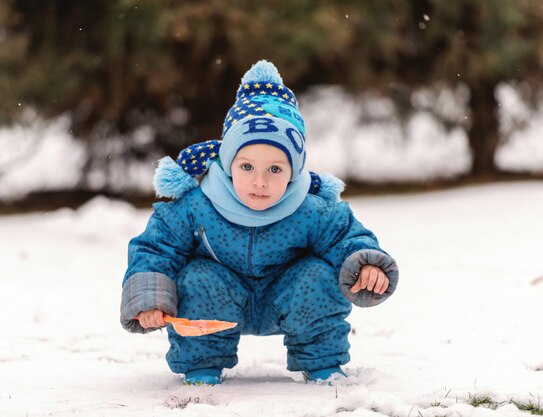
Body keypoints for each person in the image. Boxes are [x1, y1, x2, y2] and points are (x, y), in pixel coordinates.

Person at [120, 60, 399, 386]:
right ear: (228, 163)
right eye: (247, 167)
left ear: (294, 171)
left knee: (319, 275)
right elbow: (156, 246)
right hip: (219, 299)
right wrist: (149, 299)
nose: (260, 182)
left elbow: (345, 235)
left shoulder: (309, 209)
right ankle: (202, 365)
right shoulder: (198, 205)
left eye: (275, 170)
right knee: (197, 277)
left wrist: (366, 264)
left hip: (290, 294)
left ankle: (322, 363)